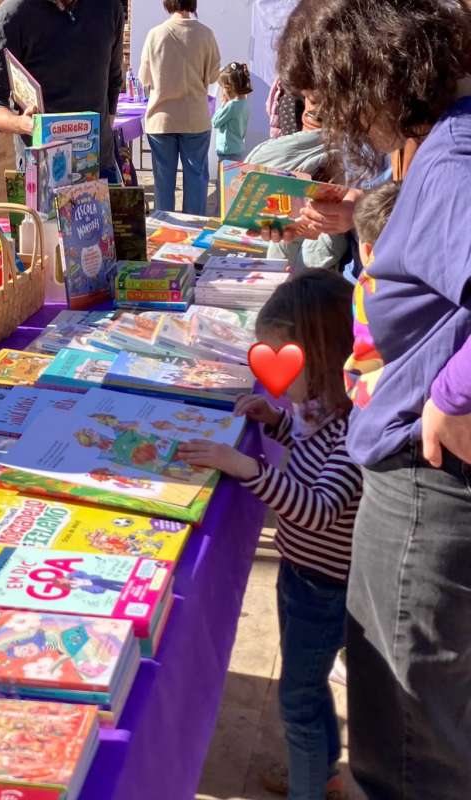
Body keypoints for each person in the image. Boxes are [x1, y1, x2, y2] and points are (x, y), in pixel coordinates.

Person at [277, 1, 471, 797]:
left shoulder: (453, 157)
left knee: (406, 750)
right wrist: (363, 215)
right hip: (421, 481)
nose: (330, 115)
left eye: (329, 94)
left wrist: (453, 393)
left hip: (429, 488)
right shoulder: (443, 143)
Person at [178, 270, 361, 800]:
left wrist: (246, 468)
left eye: (283, 361)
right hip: (304, 576)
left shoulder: (353, 428)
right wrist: (277, 421)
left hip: (326, 588)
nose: (275, 376)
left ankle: (311, 786)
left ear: (320, 359)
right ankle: (321, 773)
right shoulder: (323, 407)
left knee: (298, 702)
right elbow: (307, 454)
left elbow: (318, 508)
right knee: (308, 687)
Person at [0, 0, 125, 183]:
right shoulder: (13, 14)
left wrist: (104, 130)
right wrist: (21, 124)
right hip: (41, 172)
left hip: (99, 167)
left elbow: (114, 79)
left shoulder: (109, 7)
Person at [138, 0, 221, 215]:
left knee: (163, 182)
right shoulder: (206, 34)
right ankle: (194, 228)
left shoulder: (155, 34)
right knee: (196, 179)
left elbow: (144, 78)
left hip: (161, 119)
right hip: (195, 118)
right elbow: (214, 76)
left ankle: (165, 226)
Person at [245, 98, 347, 271]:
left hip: (330, 226)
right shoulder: (295, 132)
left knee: (312, 261)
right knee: (279, 259)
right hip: (297, 216)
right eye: (311, 99)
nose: (315, 108)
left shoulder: (352, 146)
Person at [211, 62, 253, 164]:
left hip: (227, 151)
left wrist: (223, 104)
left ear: (228, 88)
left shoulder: (232, 106)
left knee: (225, 175)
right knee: (234, 174)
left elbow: (215, 122)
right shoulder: (245, 103)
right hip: (238, 149)